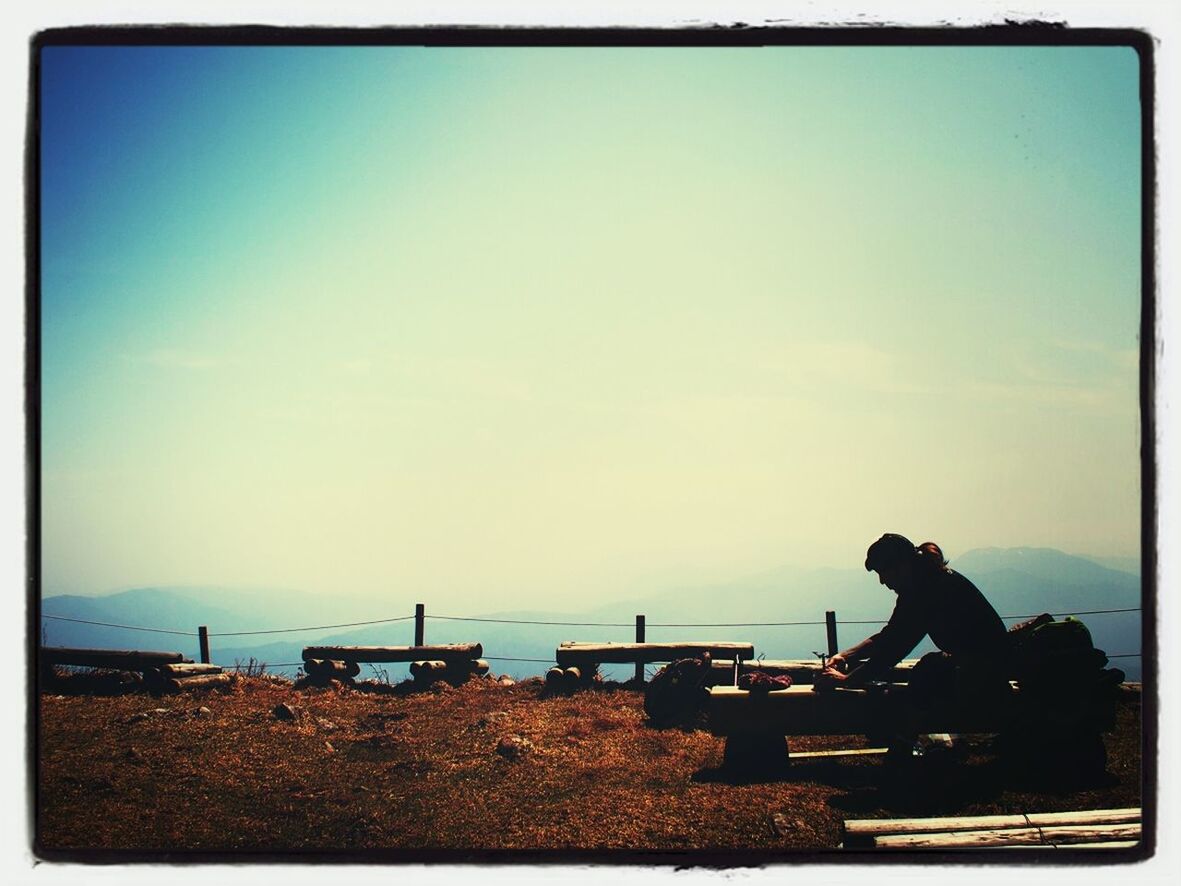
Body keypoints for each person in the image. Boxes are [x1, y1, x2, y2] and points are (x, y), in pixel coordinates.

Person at [814, 533, 1010, 705]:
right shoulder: (926, 581)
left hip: (983, 676)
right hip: (985, 668)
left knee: (922, 678)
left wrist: (845, 680)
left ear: (902, 566)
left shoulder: (928, 591)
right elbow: (891, 635)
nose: (882, 581)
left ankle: (909, 742)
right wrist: (845, 656)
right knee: (928, 670)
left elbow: (892, 651)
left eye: (883, 572)